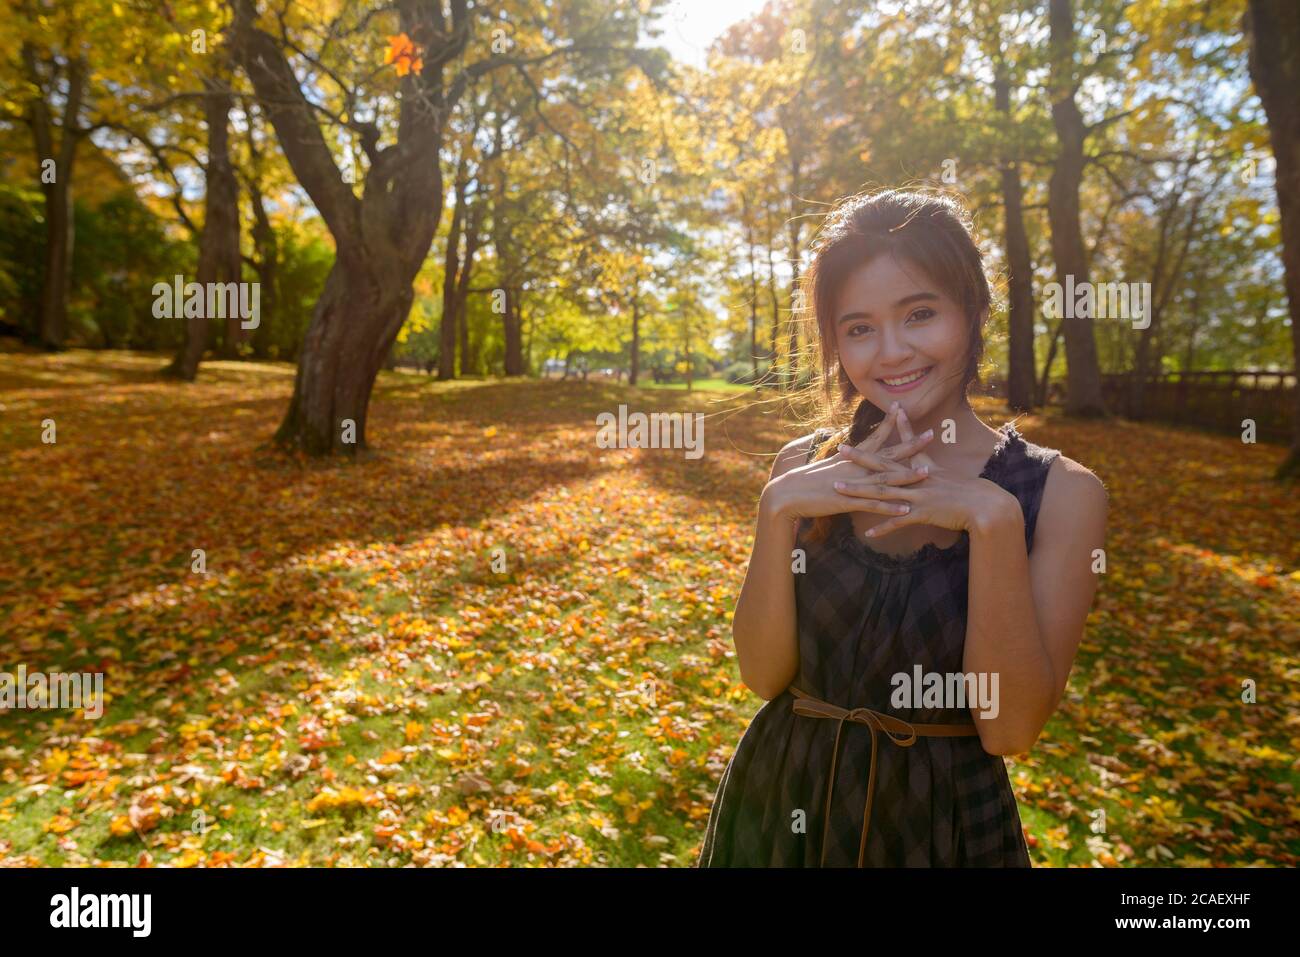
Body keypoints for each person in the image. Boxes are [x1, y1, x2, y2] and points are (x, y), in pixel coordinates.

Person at [696, 189, 1108, 867]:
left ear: (975, 311)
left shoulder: (1059, 493)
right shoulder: (801, 468)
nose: (890, 353)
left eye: (919, 314)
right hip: (781, 805)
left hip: (941, 823)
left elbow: (1009, 727)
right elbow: (765, 675)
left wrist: (992, 522)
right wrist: (777, 512)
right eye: (859, 327)